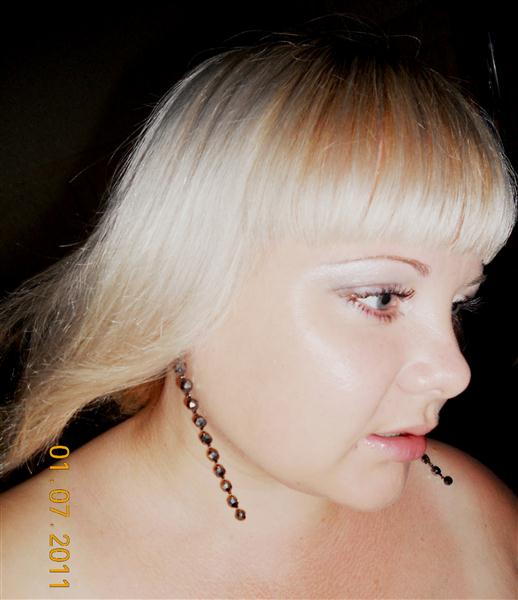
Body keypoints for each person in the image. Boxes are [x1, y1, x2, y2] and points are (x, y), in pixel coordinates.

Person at [0, 22, 517, 599]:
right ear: (182, 286)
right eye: (382, 297)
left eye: (458, 302)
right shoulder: (27, 574)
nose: (453, 372)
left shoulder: (476, 517)